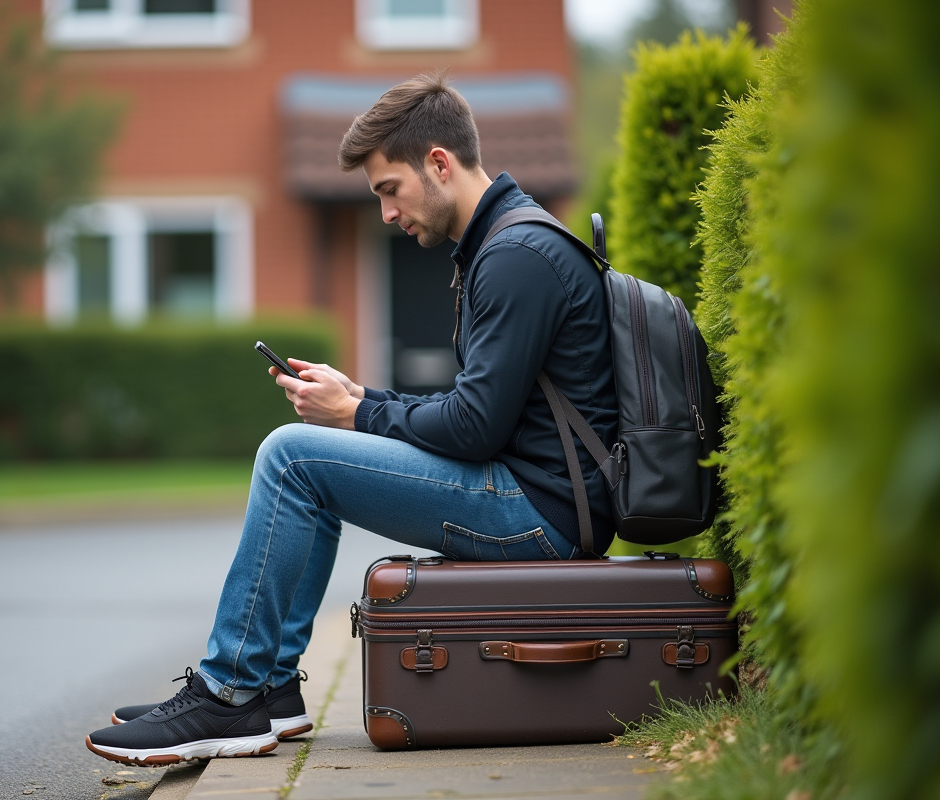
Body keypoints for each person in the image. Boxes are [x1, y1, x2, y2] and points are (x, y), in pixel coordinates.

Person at [84, 72, 618, 767]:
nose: (388, 214)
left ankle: (231, 691)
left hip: (540, 516)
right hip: (536, 496)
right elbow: (475, 411)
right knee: (309, 461)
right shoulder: (510, 244)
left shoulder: (516, 257)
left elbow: (475, 429)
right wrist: (360, 396)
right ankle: (269, 689)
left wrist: (358, 413)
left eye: (388, 190)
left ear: (438, 163)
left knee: (293, 457)